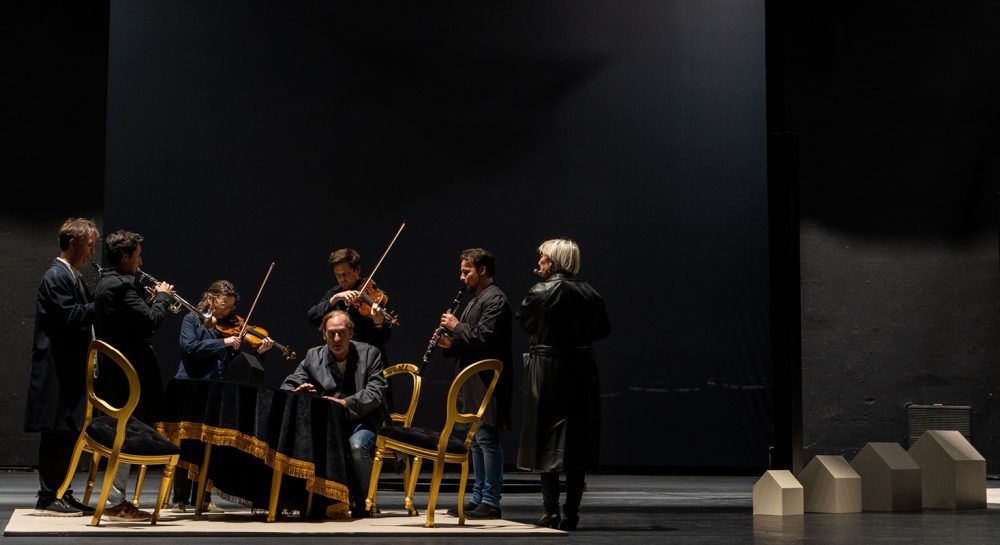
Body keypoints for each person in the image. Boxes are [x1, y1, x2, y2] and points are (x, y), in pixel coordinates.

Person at [515, 239, 611, 531]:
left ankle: (550, 512)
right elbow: (603, 329)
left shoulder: (540, 291)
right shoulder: (591, 293)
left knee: (545, 440)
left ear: (553, 262)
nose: (540, 263)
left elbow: (524, 321)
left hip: (548, 371)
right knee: (577, 442)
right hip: (581, 371)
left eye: (543, 258)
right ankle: (571, 513)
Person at [170, 279, 275, 513]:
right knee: (186, 443)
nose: (227, 312)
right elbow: (190, 348)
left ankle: (204, 499)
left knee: (210, 446)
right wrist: (224, 341)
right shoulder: (192, 320)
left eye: (230, 308)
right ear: (210, 298)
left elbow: (234, 363)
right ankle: (178, 499)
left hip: (215, 390)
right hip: (191, 388)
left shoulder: (224, 328)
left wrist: (258, 352)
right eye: (224, 306)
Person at [93, 229, 174, 522]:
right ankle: (117, 501)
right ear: (125, 256)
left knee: (125, 432)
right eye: (138, 255)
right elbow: (150, 321)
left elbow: (133, 319)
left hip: (116, 375)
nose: (141, 261)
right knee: (126, 435)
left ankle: (116, 498)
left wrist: (149, 299)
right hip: (129, 377)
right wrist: (162, 298)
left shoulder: (109, 283)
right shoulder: (122, 287)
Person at [24, 218, 101, 516]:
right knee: (57, 434)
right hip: (56, 369)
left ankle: (61, 491)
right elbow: (69, 317)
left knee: (67, 432)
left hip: (67, 369)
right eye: (89, 246)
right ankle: (48, 496)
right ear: (73, 244)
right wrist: (105, 303)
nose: (91, 253)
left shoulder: (72, 275)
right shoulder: (56, 276)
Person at [281, 309, 388, 518]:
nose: (336, 338)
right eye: (331, 333)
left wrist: (344, 403)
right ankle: (319, 501)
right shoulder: (314, 355)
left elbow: (376, 392)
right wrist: (297, 390)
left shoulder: (370, 353)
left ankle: (365, 502)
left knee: (356, 446)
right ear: (324, 335)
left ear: (351, 333)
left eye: (341, 333)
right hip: (329, 424)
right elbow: (289, 383)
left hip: (362, 419)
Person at [436, 248, 512, 520]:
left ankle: (491, 500)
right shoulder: (476, 299)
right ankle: (479, 496)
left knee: (487, 439)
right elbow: (470, 342)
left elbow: (485, 336)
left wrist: (456, 327)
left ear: (482, 270)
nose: (462, 277)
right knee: (476, 441)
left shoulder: (496, 299)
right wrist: (449, 344)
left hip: (486, 380)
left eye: (466, 271)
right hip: (472, 380)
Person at [306, 248, 393, 357]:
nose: (342, 279)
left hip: (369, 360)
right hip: (341, 360)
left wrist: (379, 323)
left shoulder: (375, 297)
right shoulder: (335, 293)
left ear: (358, 270)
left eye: (346, 274)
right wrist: (335, 299)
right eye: (338, 275)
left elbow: (384, 338)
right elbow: (312, 317)